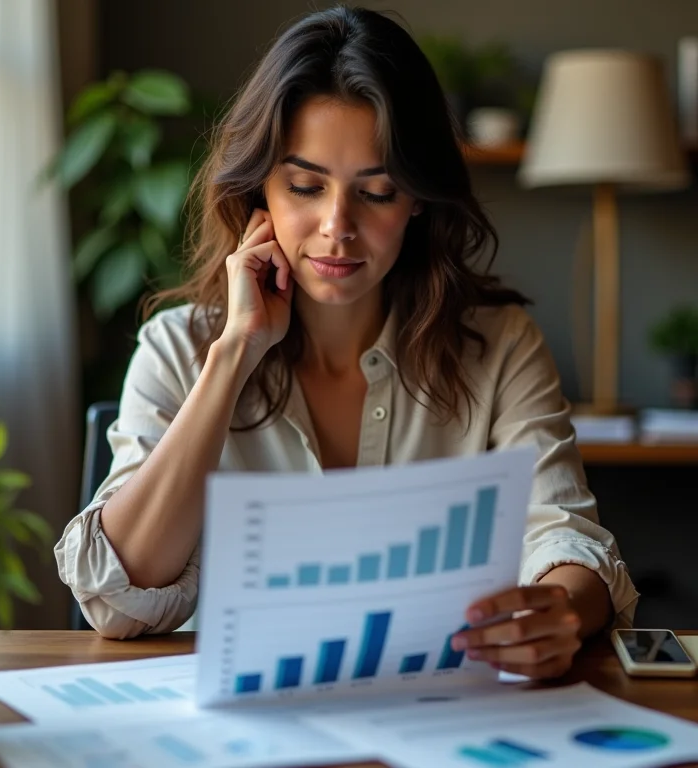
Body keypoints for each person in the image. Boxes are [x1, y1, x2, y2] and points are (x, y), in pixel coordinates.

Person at [56, 6, 638, 678]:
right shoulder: (178, 348)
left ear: (417, 199)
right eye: (305, 186)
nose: (338, 226)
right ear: (260, 194)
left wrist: (561, 611)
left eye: (378, 191)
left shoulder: (500, 346)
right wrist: (235, 354)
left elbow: (564, 534)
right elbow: (117, 602)